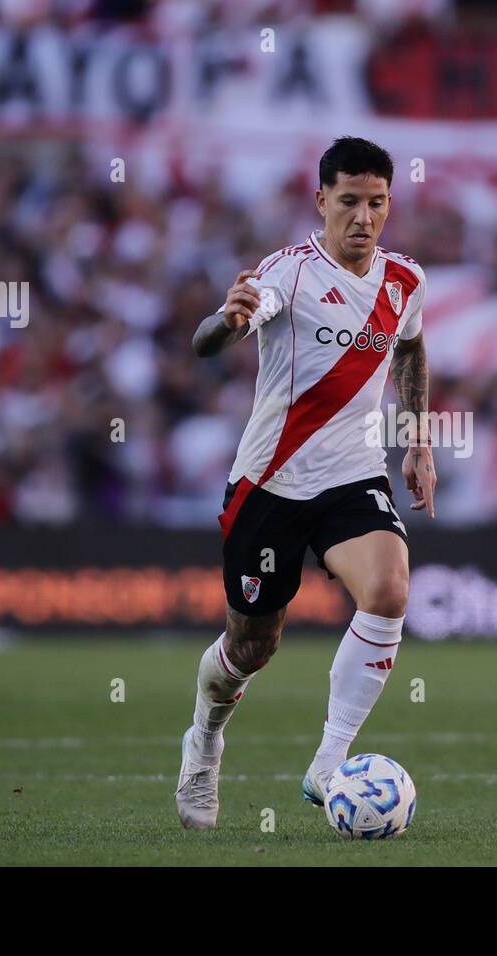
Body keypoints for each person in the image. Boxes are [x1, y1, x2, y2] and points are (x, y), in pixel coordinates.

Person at [176, 137, 436, 829]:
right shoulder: (285, 275)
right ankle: (203, 742)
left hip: (352, 476)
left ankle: (329, 762)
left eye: (376, 202)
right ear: (321, 201)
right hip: (270, 482)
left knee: (389, 588)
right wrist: (223, 322)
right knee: (251, 646)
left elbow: (409, 345)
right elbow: (211, 338)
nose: (363, 216)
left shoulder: (405, 280)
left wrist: (417, 441)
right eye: (348, 201)